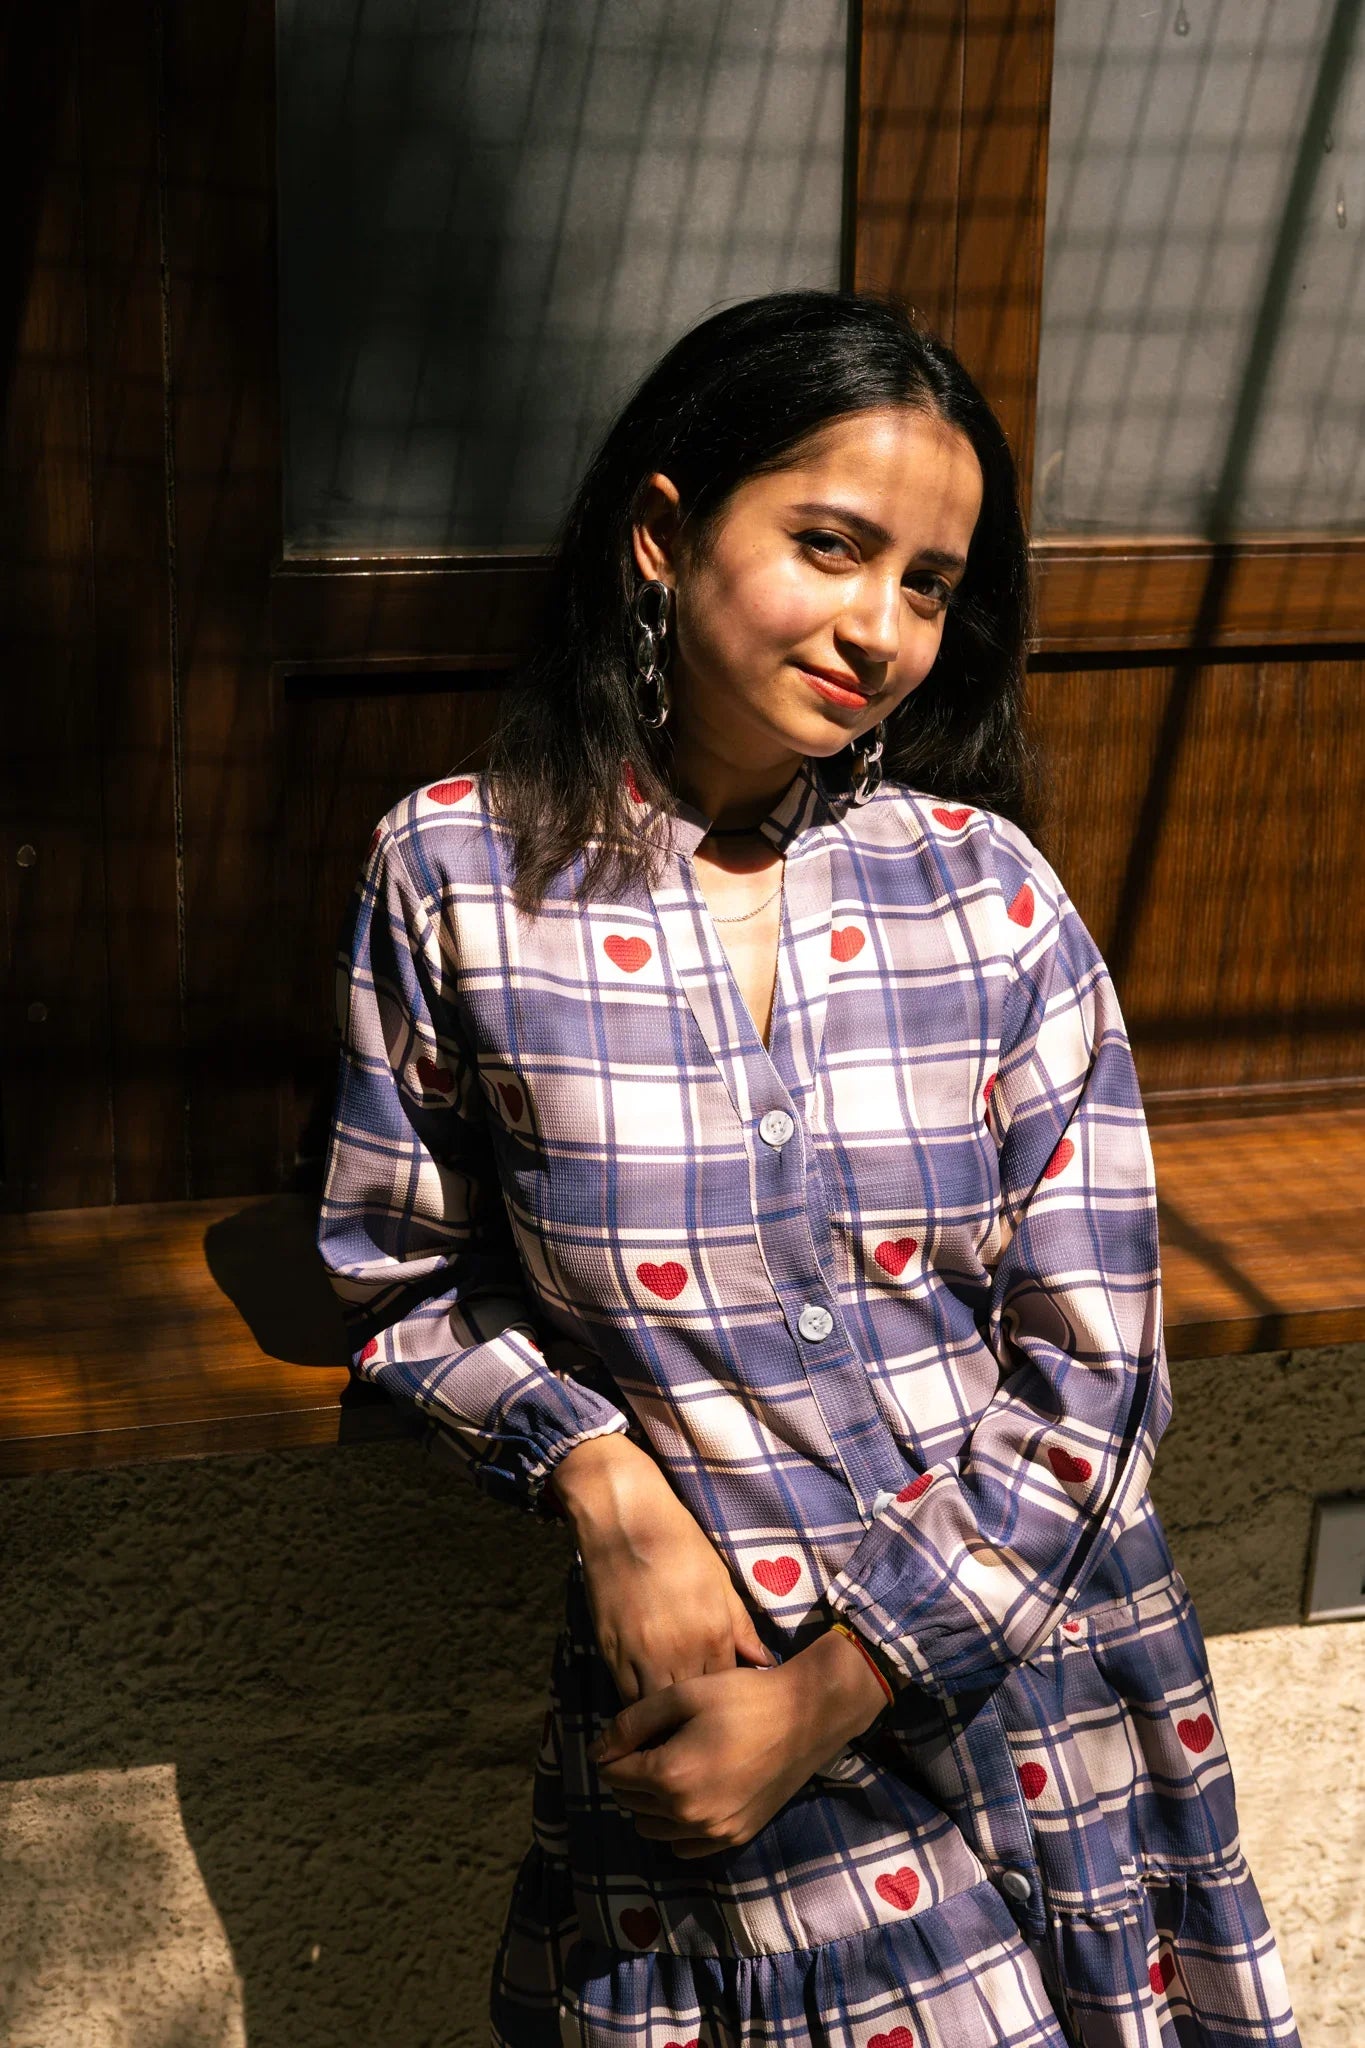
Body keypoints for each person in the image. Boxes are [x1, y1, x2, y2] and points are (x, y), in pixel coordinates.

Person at [317, 292, 1298, 2048]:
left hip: (1036, 1675)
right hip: (723, 1713)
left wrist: (843, 1689)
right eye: (829, 547)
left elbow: (1097, 1368)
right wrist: (600, 1484)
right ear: (661, 532)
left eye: (927, 583)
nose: (880, 629)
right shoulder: (458, 877)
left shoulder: (985, 894)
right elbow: (396, 1269)